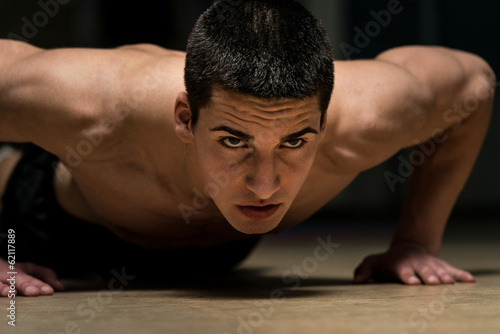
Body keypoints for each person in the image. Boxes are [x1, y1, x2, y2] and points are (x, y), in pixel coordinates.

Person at [0, 0, 496, 297]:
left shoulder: (367, 116)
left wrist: (415, 241)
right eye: (233, 141)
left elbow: (474, 83)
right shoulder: (95, 106)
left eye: (295, 141)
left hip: (222, 252)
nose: (266, 184)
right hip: (58, 221)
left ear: (324, 121)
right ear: (185, 118)